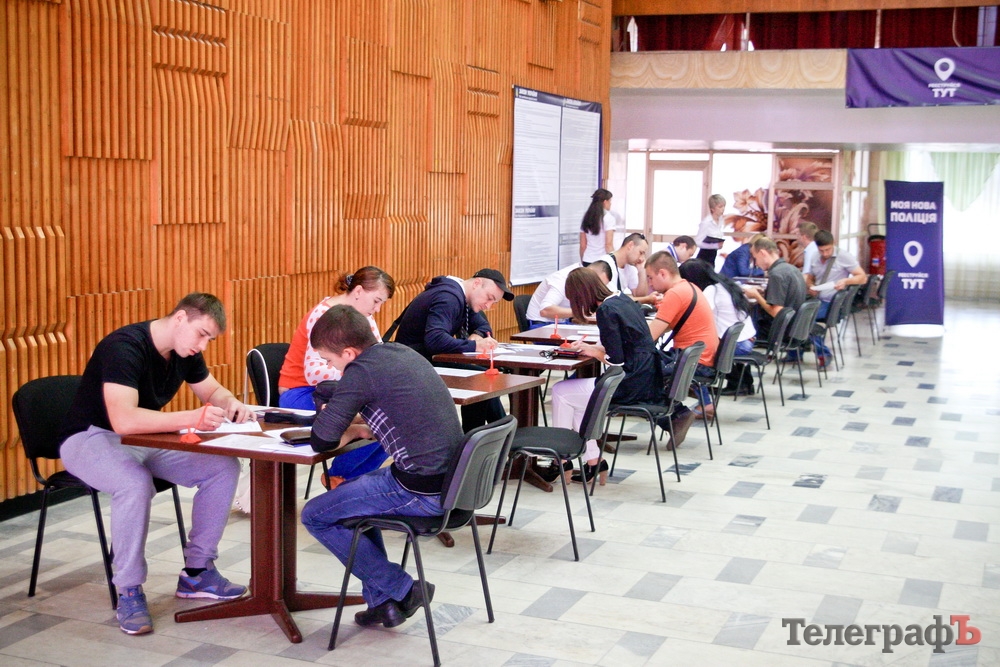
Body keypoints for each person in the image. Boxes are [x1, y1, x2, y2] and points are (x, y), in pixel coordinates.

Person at [58, 293, 253, 636]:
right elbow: (123, 420)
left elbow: (211, 391)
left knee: (222, 467)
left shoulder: (184, 351)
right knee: (134, 483)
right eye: (202, 334)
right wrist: (192, 418)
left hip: (144, 437)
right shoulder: (123, 347)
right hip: (89, 438)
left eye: (209, 340)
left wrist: (230, 402)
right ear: (180, 318)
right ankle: (129, 589)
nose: (202, 346)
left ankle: (197, 573)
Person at [301, 305, 465, 629]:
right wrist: (362, 427)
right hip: (451, 483)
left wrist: (349, 428)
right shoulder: (399, 353)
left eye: (329, 361)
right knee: (351, 501)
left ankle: (403, 588)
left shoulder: (361, 372)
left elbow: (321, 440)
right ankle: (383, 605)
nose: (330, 368)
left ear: (349, 353)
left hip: (420, 491)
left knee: (315, 515)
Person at [276, 267, 395, 487]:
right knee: (374, 417)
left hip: (337, 390)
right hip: (302, 392)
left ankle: (348, 481)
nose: (377, 309)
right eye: (376, 301)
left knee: (393, 419)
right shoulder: (324, 316)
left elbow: (376, 356)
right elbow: (314, 372)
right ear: (358, 291)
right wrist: (357, 376)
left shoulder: (365, 317)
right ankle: (342, 479)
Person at [549, 268, 666, 482]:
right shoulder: (622, 299)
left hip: (630, 381)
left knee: (560, 391)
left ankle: (561, 460)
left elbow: (616, 360)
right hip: (646, 376)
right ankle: (593, 462)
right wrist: (591, 347)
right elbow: (624, 342)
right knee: (578, 401)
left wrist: (594, 352)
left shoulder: (606, 310)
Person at [393, 268, 513, 432]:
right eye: (489, 298)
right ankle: (496, 432)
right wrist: (475, 346)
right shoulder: (449, 298)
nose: (488, 305)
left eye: (494, 302)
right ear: (477, 284)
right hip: (412, 364)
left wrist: (477, 335)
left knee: (482, 378)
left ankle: (496, 432)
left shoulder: (463, 297)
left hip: (425, 358)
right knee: (481, 379)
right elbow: (435, 340)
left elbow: (484, 326)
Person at [646, 252, 720, 424]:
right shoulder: (689, 287)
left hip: (694, 362)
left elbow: (649, 336)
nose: (649, 283)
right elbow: (668, 326)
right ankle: (670, 414)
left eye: (650, 277)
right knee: (648, 363)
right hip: (701, 357)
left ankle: (673, 415)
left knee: (642, 369)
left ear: (662, 273)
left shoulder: (675, 294)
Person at [679, 258, 758, 397]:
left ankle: (719, 388)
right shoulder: (724, 284)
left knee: (698, 353)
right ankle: (744, 384)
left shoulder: (711, 290)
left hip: (738, 344)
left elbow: (698, 313)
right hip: (747, 339)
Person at [804, 230, 867, 361]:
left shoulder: (844, 256)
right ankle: (795, 352)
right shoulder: (814, 256)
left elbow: (862, 277)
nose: (825, 254)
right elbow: (810, 277)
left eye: (828, 250)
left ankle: (823, 354)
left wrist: (846, 281)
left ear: (833, 243)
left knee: (805, 318)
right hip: (817, 299)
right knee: (795, 313)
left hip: (832, 303)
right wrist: (810, 286)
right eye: (821, 250)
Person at [743, 236, 807, 342]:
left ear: (762, 253)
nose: (756, 264)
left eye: (755, 259)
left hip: (780, 331)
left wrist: (756, 296)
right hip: (796, 328)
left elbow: (776, 313)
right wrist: (765, 293)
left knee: (742, 329)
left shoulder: (776, 274)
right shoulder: (792, 269)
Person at [526, 262, 612, 328]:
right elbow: (545, 310)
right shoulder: (563, 279)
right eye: (597, 283)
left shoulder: (584, 278)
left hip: (562, 323)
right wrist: (582, 312)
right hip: (541, 324)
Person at [603, 233, 656, 304]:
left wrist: (642, 271)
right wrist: (648, 299)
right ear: (630, 245)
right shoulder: (606, 264)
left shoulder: (630, 267)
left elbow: (639, 296)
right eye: (641, 253)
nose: (642, 258)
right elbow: (614, 300)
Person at [579, 188, 616, 266]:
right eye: (610, 201)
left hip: (587, 260)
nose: (611, 203)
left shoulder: (586, 217)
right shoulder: (609, 218)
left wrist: (583, 261)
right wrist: (614, 262)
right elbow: (608, 245)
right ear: (605, 202)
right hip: (602, 262)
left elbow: (582, 245)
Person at [695, 194, 727, 265]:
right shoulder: (706, 222)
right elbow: (697, 242)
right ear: (712, 209)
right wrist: (715, 245)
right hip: (705, 255)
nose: (723, 209)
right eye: (720, 207)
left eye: (724, 206)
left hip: (713, 255)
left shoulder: (721, 220)